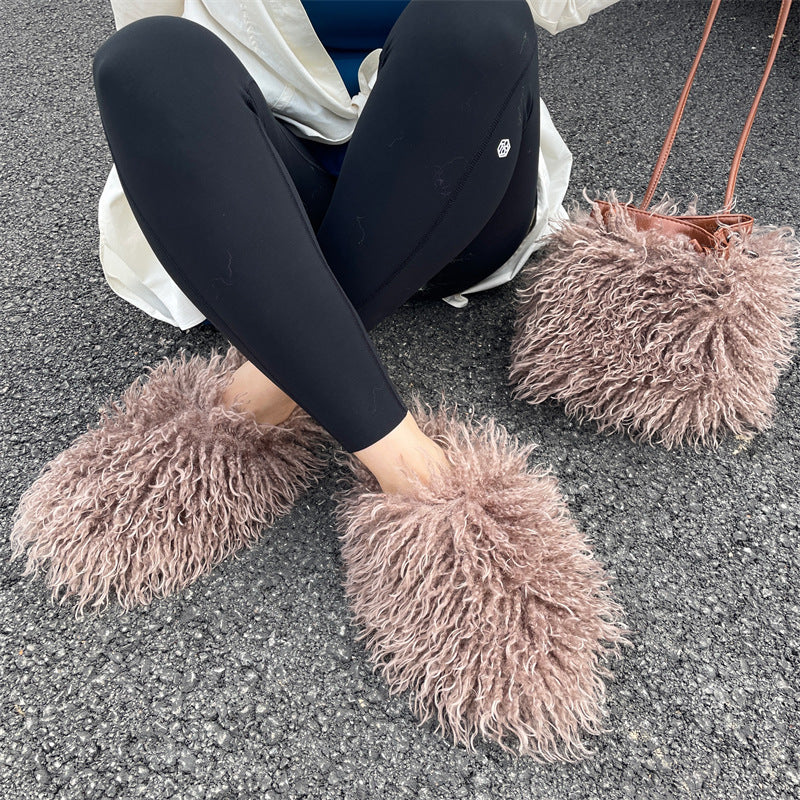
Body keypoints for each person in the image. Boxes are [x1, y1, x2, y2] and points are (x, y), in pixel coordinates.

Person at [12, 0, 625, 758]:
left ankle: (268, 388)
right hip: (275, 195)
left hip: (456, 185)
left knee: (476, 15)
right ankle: (408, 462)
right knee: (147, 57)